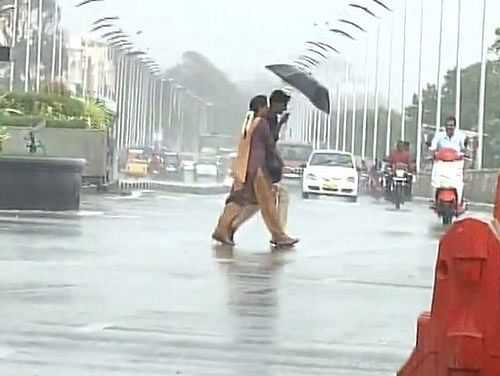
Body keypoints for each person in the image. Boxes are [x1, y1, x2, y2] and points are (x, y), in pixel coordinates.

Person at [211, 95, 298, 247]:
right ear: (261, 108)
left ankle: (222, 229)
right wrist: (279, 160)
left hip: (244, 167)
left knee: (238, 200)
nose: (267, 109)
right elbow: (270, 144)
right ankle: (278, 235)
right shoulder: (261, 123)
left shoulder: (249, 121)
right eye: (265, 107)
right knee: (268, 203)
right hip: (257, 169)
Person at [229, 90, 292, 242]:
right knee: (276, 198)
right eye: (283, 105)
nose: (284, 108)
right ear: (275, 103)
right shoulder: (265, 120)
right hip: (261, 169)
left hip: (256, 168)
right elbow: (270, 142)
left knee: (256, 202)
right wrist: (281, 125)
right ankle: (279, 234)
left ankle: (231, 227)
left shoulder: (262, 119)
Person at [429, 116, 467, 208]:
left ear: (455, 126)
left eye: (451, 125)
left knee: (459, 182)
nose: (449, 127)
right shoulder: (439, 136)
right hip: (441, 163)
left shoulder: (461, 136)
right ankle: (434, 199)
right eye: (447, 125)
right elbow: (433, 148)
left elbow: (465, 149)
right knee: (435, 181)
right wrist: (432, 155)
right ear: (444, 126)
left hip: (456, 163)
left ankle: (460, 201)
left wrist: (465, 154)